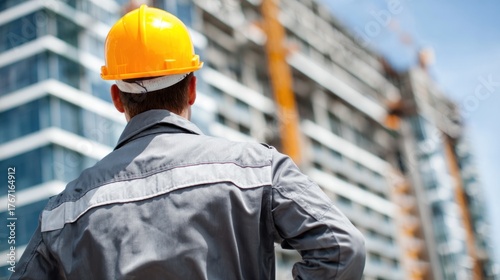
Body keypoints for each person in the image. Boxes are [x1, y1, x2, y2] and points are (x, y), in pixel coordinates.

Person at [11, 5, 365, 280]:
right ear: (192, 89)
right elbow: (341, 250)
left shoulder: (63, 213)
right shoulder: (257, 170)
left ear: (117, 98)